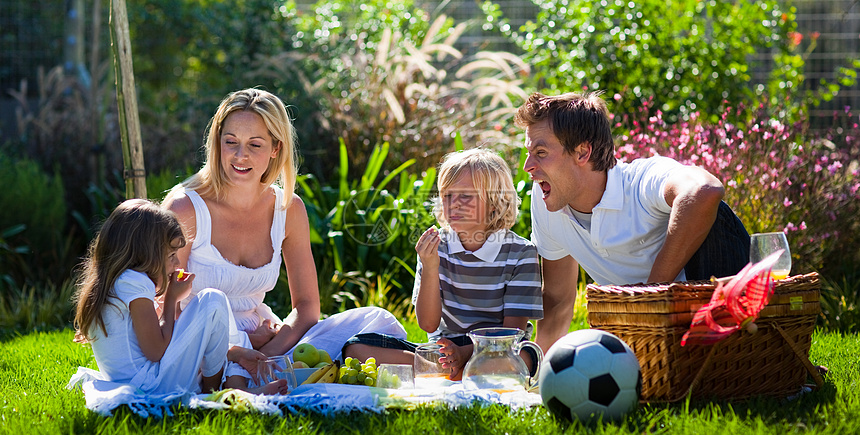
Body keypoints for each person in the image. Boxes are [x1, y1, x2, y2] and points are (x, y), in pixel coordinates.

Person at [162, 88, 406, 389]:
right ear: (217, 143)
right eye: (231, 142)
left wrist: (267, 354)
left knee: (377, 320)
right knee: (226, 366)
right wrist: (240, 347)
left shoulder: (288, 209)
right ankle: (249, 382)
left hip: (267, 343)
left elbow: (306, 308)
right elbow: (164, 305)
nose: (241, 155)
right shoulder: (185, 208)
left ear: (276, 148)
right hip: (196, 345)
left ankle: (435, 365)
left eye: (255, 144)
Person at [515, 91, 751, 352]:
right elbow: (558, 299)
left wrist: (650, 296)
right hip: (648, 342)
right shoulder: (546, 197)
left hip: (711, 315)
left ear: (582, 152)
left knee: (715, 213)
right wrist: (538, 370)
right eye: (528, 152)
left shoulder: (640, 181)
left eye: (540, 152)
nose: (528, 166)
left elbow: (705, 190)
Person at [342, 148, 543, 380]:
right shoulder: (436, 248)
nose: (453, 204)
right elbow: (428, 324)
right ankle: (454, 371)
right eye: (447, 195)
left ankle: (451, 370)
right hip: (445, 349)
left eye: (465, 196)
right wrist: (430, 267)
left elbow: (512, 333)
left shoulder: (521, 253)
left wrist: (466, 352)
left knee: (527, 356)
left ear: (495, 202)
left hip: (500, 348)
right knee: (356, 348)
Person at [70, 199, 257, 394]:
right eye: (171, 255)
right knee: (213, 300)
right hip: (150, 385)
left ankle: (232, 371)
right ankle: (213, 393)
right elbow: (156, 351)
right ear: (145, 253)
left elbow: (157, 342)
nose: (177, 263)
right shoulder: (133, 282)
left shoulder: (116, 282)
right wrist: (171, 299)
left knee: (232, 332)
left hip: (143, 380)